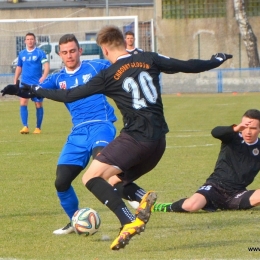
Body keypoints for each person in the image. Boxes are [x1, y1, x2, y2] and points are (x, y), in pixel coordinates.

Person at [2, 25, 232, 250]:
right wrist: (215, 60)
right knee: (112, 180)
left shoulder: (107, 73)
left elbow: (70, 95)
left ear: (103, 49)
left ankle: (127, 221)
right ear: (124, 42)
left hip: (134, 139)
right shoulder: (149, 58)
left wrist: (34, 92)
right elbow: (187, 65)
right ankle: (141, 199)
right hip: (159, 142)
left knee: (90, 177)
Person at [4, 33, 119, 236]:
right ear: (59, 54)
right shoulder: (58, 78)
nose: (69, 55)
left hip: (101, 125)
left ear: (80, 51)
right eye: (65, 52)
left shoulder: (97, 66)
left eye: (73, 51)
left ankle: (130, 208)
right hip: (78, 133)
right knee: (61, 181)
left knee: (102, 166)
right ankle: (76, 221)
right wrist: (17, 90)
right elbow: (35, 91)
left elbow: (120, 67)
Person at [153, 109, 260, 213]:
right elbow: (215, 132)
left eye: (253, 128)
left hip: (238, 193)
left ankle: (229, 205)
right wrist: (236, 128)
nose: (248, 132)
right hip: (216, 186)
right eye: (245, 127)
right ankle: (164, 206)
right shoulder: (233, 137)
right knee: (191, 205)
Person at [14, 32, 50, 134]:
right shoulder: (22, 54)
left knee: (38, 104)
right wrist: (15, 79)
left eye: (32, 39)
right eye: (28, 39)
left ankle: (38, 128)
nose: (30, 41)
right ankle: (25, 126)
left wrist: (44, 76)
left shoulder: (40, 53)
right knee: (23, 102)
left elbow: (46, 66)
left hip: (36, 84)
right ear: (25, 41)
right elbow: (19, 67)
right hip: (24, 83)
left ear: (35, 40)